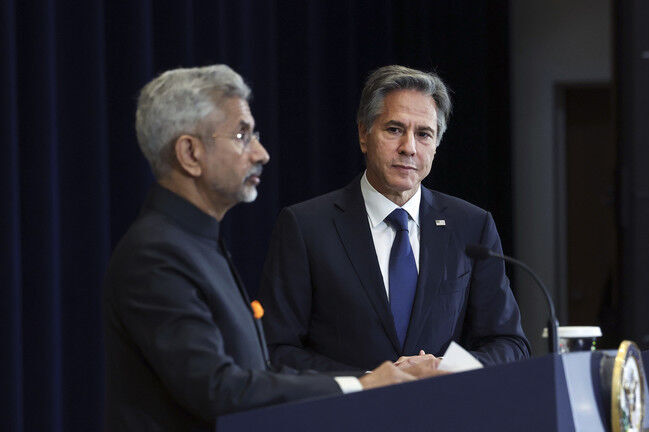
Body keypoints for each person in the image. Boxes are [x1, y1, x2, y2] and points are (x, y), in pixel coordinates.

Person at [103, 65, 437, 432]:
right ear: (190, 153)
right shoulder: (156, 254)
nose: (261, 153)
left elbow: (254, 373)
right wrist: (360, 385)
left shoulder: (194, 242)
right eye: (242, 135)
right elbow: (217, 390)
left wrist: (369, 381)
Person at [259, 65, 531, 372]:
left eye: (424, 134)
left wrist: (444, 369)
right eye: (394, 130)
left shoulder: (471, 226)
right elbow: (276, 349)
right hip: (345, 414)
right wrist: (370, 381)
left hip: (442, 413)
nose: (409, 148)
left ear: (437, 143)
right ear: (364, 134)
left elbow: (510, 344)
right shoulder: (305, 226)